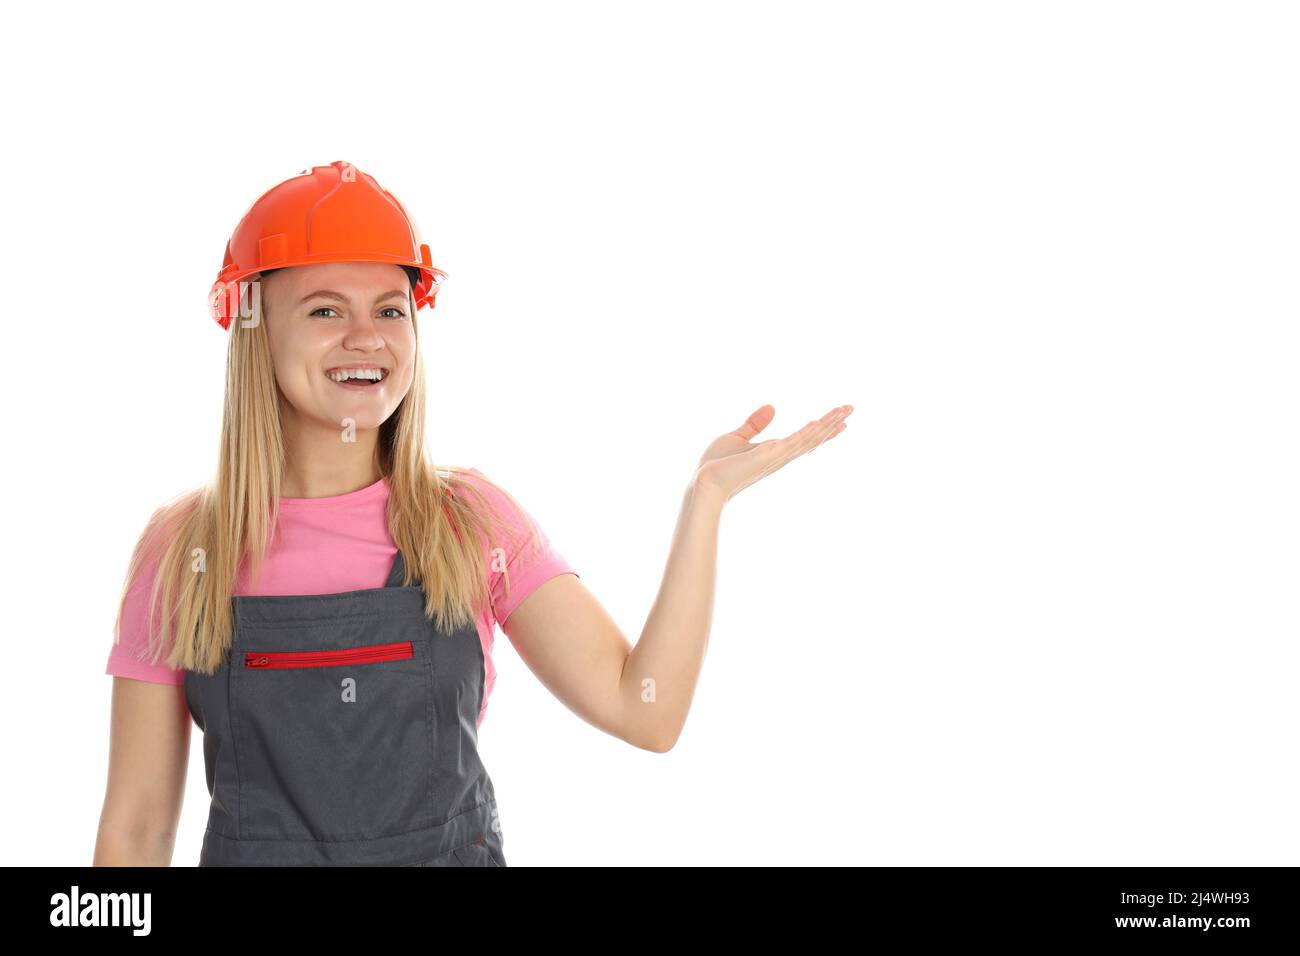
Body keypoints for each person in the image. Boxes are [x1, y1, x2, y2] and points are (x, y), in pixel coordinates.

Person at [93, 160, 852, 867]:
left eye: (390, 309)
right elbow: (136, 826)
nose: (367, 338)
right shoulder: (186, 549)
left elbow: (643, 711)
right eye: (325, 308)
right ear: (254, 327)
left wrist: (704, 505)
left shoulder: (468, 524)